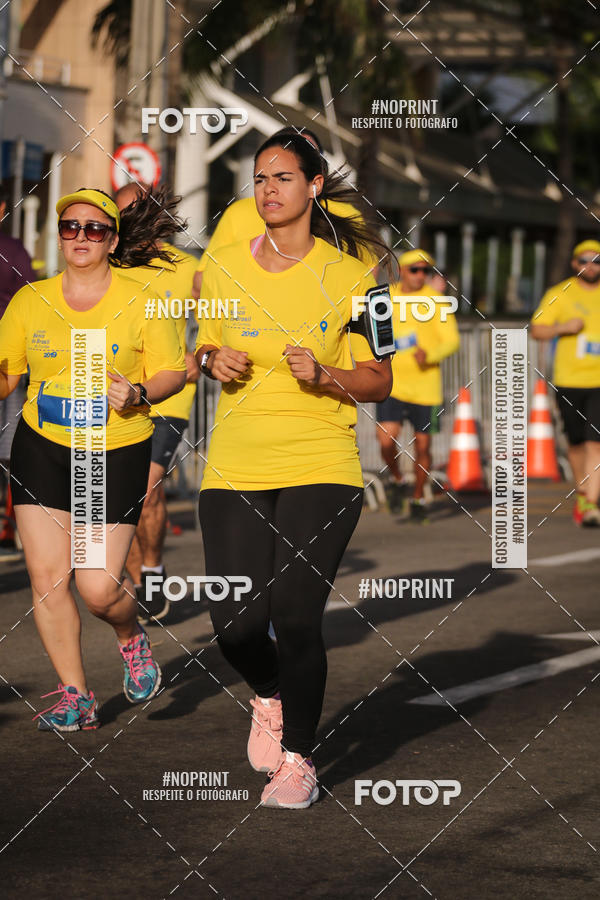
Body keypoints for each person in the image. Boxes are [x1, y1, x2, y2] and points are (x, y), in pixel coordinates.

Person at [196, 131, 393, 809]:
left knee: (297, 615)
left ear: (313, 186)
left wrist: (329, 373)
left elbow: (378, 377)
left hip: (321, 460)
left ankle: (300, 762)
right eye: (259, 179)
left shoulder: (358, 277)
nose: (268, 189)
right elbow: (203, 344)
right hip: (235, 463)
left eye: (282, 177)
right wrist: (210, 360)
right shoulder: (220, 266)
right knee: (237, 626)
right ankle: (269, 692)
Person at [0, 187, 186, 732]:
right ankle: (75, 695)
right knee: (47, 578)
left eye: (94, 228)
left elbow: (173, 370)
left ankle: (130, 636)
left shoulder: (144, 298)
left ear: (111, 238)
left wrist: (140, 393)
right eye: (70, 227)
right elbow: (8, 374)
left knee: (99, 588)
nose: (80, 237)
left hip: (115, 448)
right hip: (42, 446)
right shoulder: (31, 300)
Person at [115, 183, 199, 623]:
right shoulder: (108, 261)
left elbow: (224, 312)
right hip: (115, 392)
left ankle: (151, 573)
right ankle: (136, 584)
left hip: (170, 391)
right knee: (120, 496)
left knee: (146, 490)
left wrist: (203, 352)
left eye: (137, 211)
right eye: (123, 211)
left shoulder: (186, 267)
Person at [192, 127, 380, 300]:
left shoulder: (345, 213)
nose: (270, 189)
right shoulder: (239, 213)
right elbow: (202, 282)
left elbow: (368, 276)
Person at [376, 249, 459, 522]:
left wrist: (430, 355)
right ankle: (398, 479)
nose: (421, 275)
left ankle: (418, 496)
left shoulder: (435, 301)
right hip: (393, 384)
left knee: (422, 447)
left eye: (426, 271)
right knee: (386, 439)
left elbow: (452, 341)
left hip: (426, 388)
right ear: (403, 271)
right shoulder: (386, 296)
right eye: (415, 270)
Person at [531, 239, 600, 526]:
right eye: (585, 260)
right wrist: (564, 327)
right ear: (574, 263)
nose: (591, 266)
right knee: (575, 444)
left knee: (595, 442)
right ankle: (583, 492)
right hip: (569, 379)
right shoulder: (560, 293)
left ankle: (590, 503)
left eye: (597, 261)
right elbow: (537, 329)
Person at [0, 182, 36, 547]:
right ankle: (19, 529)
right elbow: (34, 298)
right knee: (10, 452)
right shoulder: (13, 250)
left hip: (9, 361)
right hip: (11, 360)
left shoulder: (12, 249)